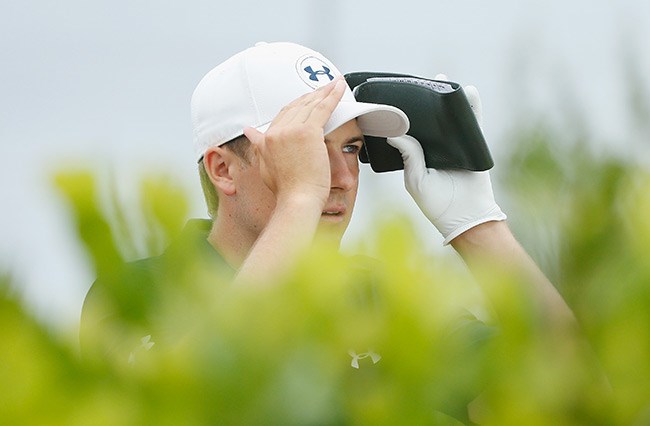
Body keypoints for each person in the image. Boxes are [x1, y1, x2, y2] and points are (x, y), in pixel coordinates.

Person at [81, 41, 575, 362]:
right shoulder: (133, 291)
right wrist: (300, 199)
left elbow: (571, 394)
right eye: (307, 148)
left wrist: (479, 226)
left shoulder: (377, 297)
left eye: (352, 149)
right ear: (223, 169)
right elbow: (197, 395)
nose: (341, 178)